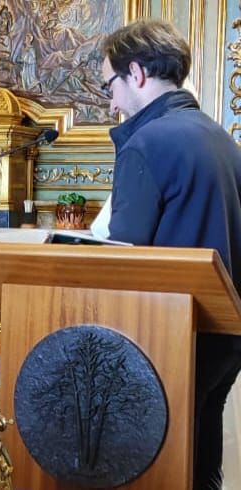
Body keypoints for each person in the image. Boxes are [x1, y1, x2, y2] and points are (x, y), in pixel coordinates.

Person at [101, 19, 241, 489]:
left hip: (166, 333)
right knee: (202, 456)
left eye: (110, 85)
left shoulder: (147, 143)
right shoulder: (223, 139)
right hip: (224, 331)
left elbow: (125, 257)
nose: (112, 103)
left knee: (159, 465)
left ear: (136, 73)